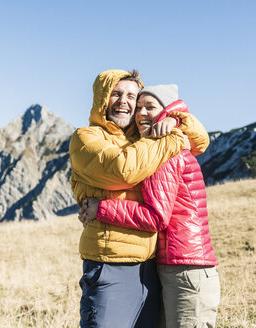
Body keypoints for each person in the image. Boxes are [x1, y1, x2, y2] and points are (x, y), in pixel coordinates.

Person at [69, 70, 210, 328]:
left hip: (150, 265)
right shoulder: (85, 138)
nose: (124, 101)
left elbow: (200, 141)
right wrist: (172, 138)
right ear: (102, 98)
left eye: (131, 96)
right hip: (110, 263)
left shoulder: (141, 137)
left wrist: (175, 122)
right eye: (116, 93)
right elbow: (123, 169)